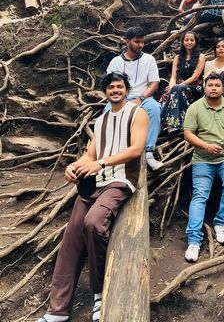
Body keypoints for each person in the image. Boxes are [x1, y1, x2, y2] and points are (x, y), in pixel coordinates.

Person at [36, 72, 148, 322]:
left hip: (120, 180)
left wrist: (102, 163)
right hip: (95, 182)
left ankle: (98, 293)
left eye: (120, 86)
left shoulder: (136, 113)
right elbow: (90, 154)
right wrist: (74, 166)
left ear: (126, 90)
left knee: (94, 224)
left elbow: (137, 149)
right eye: (111, 87)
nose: (115, 90)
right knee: (71, 238)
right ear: (105, 92)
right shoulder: (102, 119)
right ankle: (57, 310)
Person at [183, 73, 224, 262]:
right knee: (200, 196)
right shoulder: (195, 108)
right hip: (202, 159)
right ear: (204, 87)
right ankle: (194, 241)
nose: (214, 88)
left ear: (223, 88)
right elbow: (188, 133)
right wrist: (206, 146)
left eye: (217, 85)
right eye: (210, 85)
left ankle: (221, 223)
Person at [106, 27, 163, 171]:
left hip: (144, 97)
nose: (141, 45)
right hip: (120, 98)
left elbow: (154, 84)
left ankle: (149, 153)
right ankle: (113, 153)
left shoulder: (149, 59)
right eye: (137, 42)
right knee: (107, 111)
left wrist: (141, 97)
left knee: (155, 108)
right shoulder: (115, 62)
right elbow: (110, 85)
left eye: (142, 42)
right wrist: (122, 100)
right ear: (127, 41)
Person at [161, 31, 206, 132]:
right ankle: (165, 124)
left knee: (178, 89)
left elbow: (195, 77)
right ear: (182, 42)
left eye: (191, 40)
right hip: (179, 87)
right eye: (186, 40)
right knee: (167, 94)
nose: (189, 42)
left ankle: (174, 124)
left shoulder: (201, 56)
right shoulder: (177, 57)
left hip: (195, 87)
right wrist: (172, 86)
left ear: (196, 41)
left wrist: (177, 86)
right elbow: (173, 77)